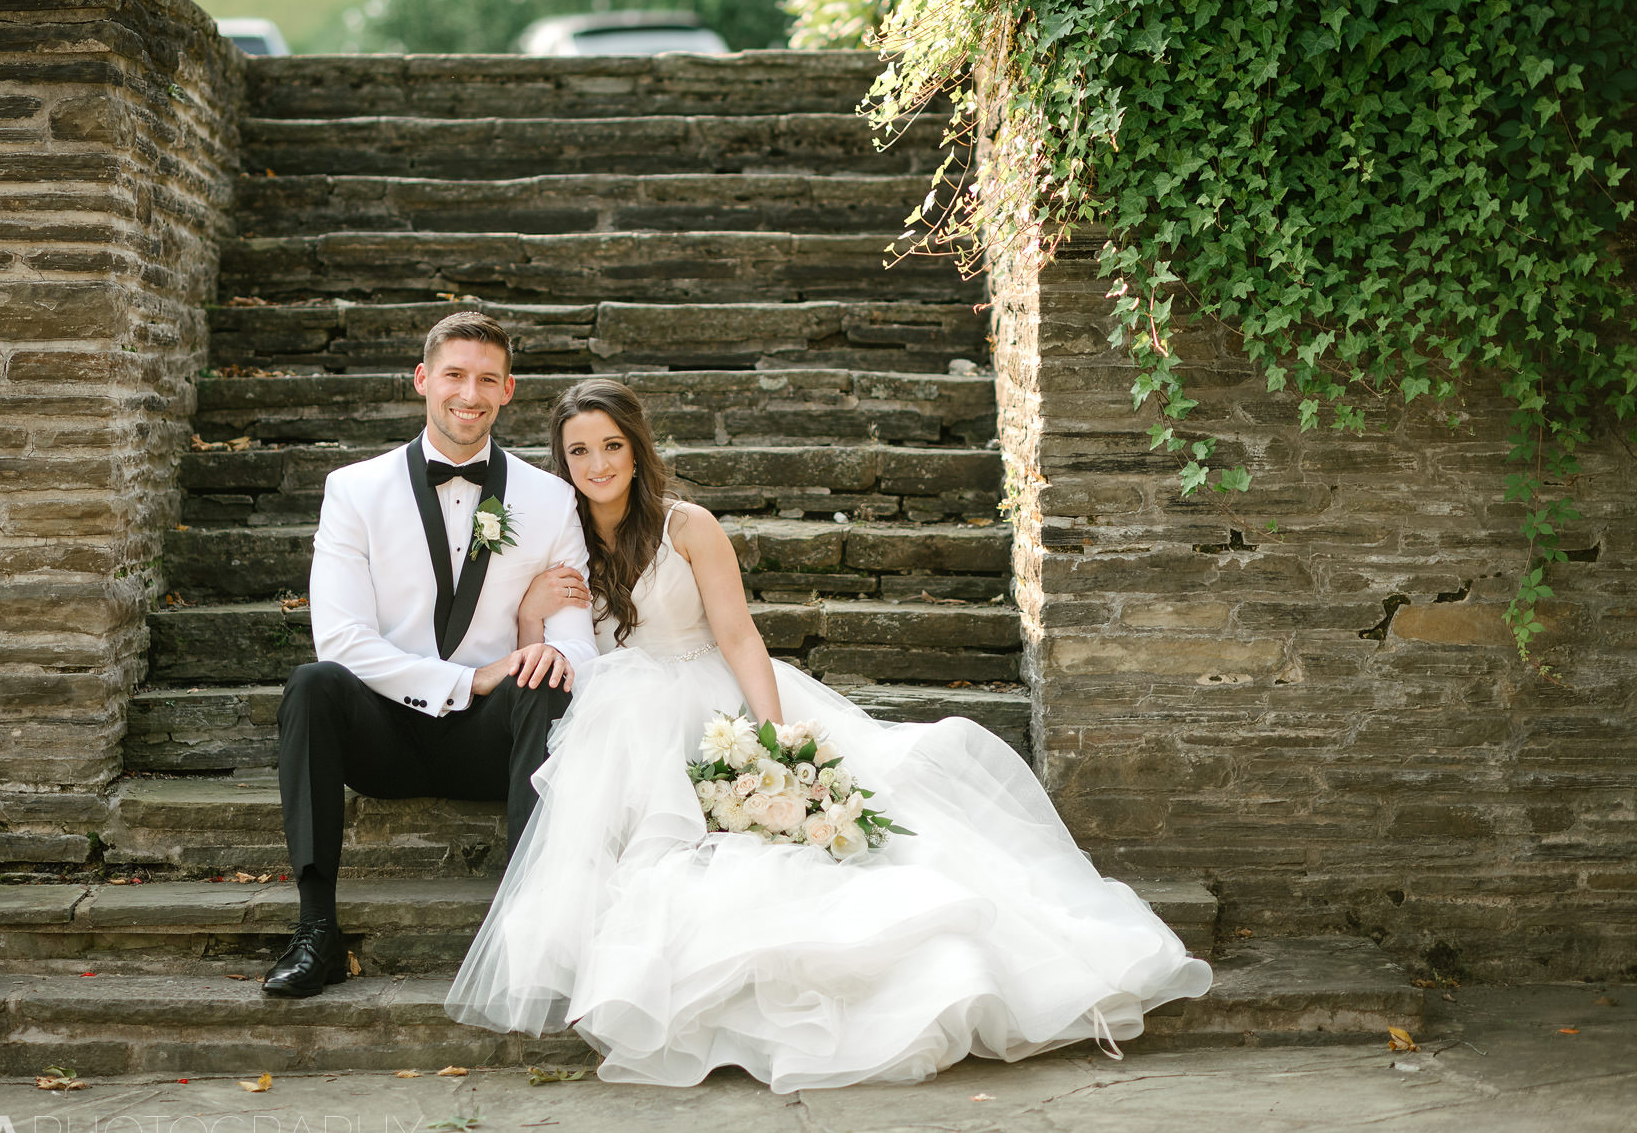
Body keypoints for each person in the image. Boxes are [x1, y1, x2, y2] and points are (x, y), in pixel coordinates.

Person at [446, 377, 1213, 1091]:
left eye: (611, 445)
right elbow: (552, 643)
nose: (597, 463)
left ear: (637, 447)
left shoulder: (688, 526)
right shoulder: (560, 535)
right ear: (562, 459)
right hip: (619, 713)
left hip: (708, 696)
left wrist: (777, 739)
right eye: (579, 450)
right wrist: (528, 610)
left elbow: (740, 637)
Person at [262, 313, 597, 998]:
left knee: (549, 676)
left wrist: (535, 633)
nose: (468, 393)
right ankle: (316, 928)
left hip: (493, 743)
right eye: (453, 374)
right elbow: (343, 639)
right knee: (313, 683)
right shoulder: (354, 490)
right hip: (384, 731)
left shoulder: (552, 498)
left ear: (508, 390)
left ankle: (526, 925)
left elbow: (578, 646)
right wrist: (468, 677)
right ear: (423, 379)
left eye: (485, 379)